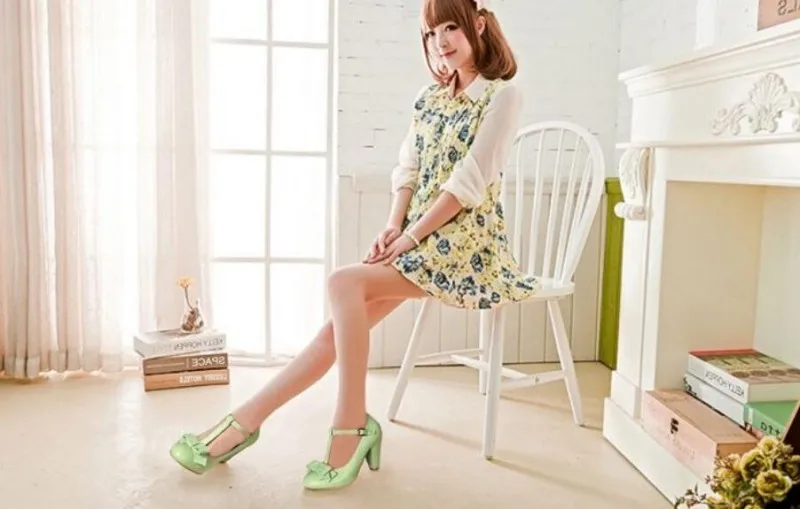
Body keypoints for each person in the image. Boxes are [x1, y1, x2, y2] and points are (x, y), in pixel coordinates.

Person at [168, 0, 539, 490]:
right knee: (336, 328)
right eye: (431, 33)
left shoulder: (502, 96)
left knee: (343, 283)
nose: (441, 41)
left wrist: (409, 237)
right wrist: (392, 226)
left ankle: (348, 424)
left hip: (468, 247)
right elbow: (408, 170)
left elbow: (468, 184)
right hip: (420, 242)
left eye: (451, 27)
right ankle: (247, 421)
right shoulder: (429, 99)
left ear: (480, 24)